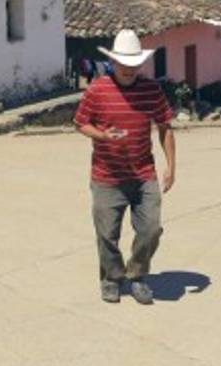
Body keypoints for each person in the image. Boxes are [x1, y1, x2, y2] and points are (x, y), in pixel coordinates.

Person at [73, 29, 176, 305]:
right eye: (124, 64)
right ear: (113, 62)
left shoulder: (151, 90)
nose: (129, 70)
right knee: (107, 234)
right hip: (107, 177)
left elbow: (165, 127)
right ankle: (111, 278)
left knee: (151, 229)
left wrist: (171, 167)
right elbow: (81, 123)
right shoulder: (97, 90)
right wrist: (103, 136)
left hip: (143, 175)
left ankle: (137, 274)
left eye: (134, 65)